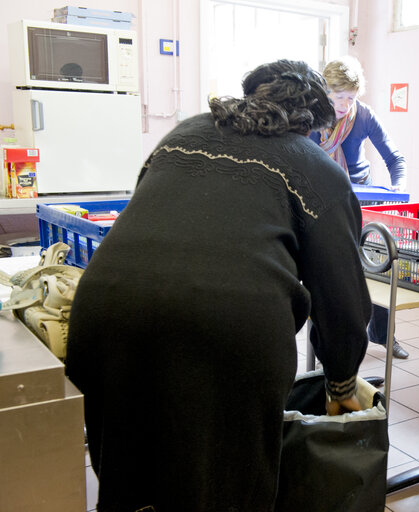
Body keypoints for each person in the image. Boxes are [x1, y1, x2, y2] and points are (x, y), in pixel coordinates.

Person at [65, 60, 371, 512]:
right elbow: (341, 298)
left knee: (127, 470)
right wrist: (342, 381)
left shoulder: (182, 135)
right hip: (229, 328)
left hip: (107, 307)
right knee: (227, 482)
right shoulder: (316, 168)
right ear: (311, 122)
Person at [310, 55, 409, 359]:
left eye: (350, 97)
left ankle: (382, 334)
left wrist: (398, 187)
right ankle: (332, 337)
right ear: (325, 91)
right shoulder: (311, 117)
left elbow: (396, 160)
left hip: (362, 196)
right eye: (338, 96)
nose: (344, 103)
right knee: (330, 270)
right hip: (323, 197)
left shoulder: (363, 116)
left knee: (379, 263)